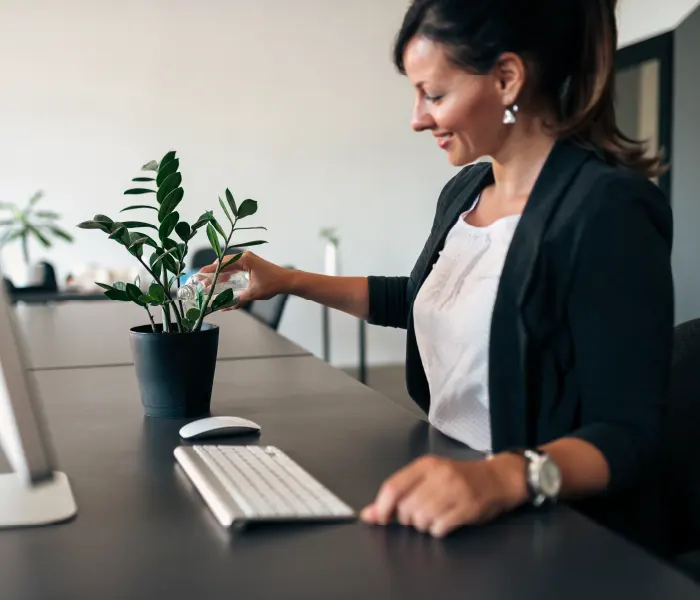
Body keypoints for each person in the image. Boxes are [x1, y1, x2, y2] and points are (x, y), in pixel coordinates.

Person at [203, 0, 673, 549]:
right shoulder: (466, 191)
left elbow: (628, 434)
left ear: (506, 79)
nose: (417, 118)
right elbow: (424, 299)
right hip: (452, 481)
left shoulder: (607, 210)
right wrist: (287, 279)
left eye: (435, 94)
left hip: (549, 525)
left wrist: (503, 477)